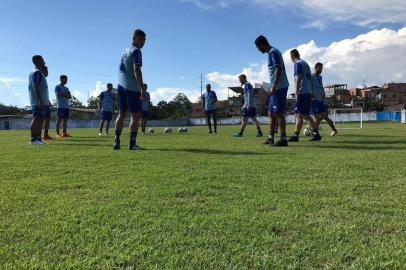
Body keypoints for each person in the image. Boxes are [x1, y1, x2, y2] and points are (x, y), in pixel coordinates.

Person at [114, 29, 147, 150]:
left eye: (144, 40)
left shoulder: (124, 51)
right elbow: (136, 69)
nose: (143, 42)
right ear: (134, 39)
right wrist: (142, 88)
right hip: (132, 88)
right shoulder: (136, 51)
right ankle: (132, 144)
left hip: (120, 86)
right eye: (141, 39)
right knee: (135, 115)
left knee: (121, 114)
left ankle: (116, 141)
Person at [255, 35, 289, 147]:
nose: (258, 50)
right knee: (271, 112)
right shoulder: (271, 53)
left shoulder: (273, 52)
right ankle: (271, 137)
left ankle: (283, 138)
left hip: (279, 87)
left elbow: (278, 68)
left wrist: (274, 85)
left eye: (258, 47)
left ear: (262, 44)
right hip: (275, 87)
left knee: (278, 112)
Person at [288, 49, 321, 142]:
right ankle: (316, 134)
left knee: (298, 114)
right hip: (307, 92)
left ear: (292, 57)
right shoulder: (306, 64)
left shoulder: (297, 64)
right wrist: (311, 92)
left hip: (302, 92)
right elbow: (310, 79)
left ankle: (296, 135)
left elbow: (298, 77)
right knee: (306, 115)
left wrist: (296, 92)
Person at [28, 55, 49, 145]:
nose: (44, 63)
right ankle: (33, 139)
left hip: (42, 100)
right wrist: (40, 100)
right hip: (38, 101)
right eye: (42, 61)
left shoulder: (39, 73)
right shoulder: (37, 72)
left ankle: (38, 139)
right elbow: (36, 86)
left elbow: (42, 88)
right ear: (37, 62)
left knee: (41, 119)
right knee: (36, 118)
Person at [311, 63, 337, 136]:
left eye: (321, 69)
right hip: (315, 100)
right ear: (315, 68)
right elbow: (310, 87)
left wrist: (323, 93)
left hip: (321, 100)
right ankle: (315, 131)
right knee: (318, 117)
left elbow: (321, 87)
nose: (321, 70)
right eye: (320, 68)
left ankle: (314, 131)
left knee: (323, 117)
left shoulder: (320, 77)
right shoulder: (311, 77)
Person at [42, 66, 53, 140]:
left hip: (45, 102)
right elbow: (38, 90)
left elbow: (44, 93)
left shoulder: (44, 80)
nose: (48, 73)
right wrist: (40, 101)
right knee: (40, 119)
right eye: (47, 71)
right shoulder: (40, 78)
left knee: (47, 119)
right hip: (41, 102)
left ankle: (46, 134)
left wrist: (48, 102)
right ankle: (36, 136)